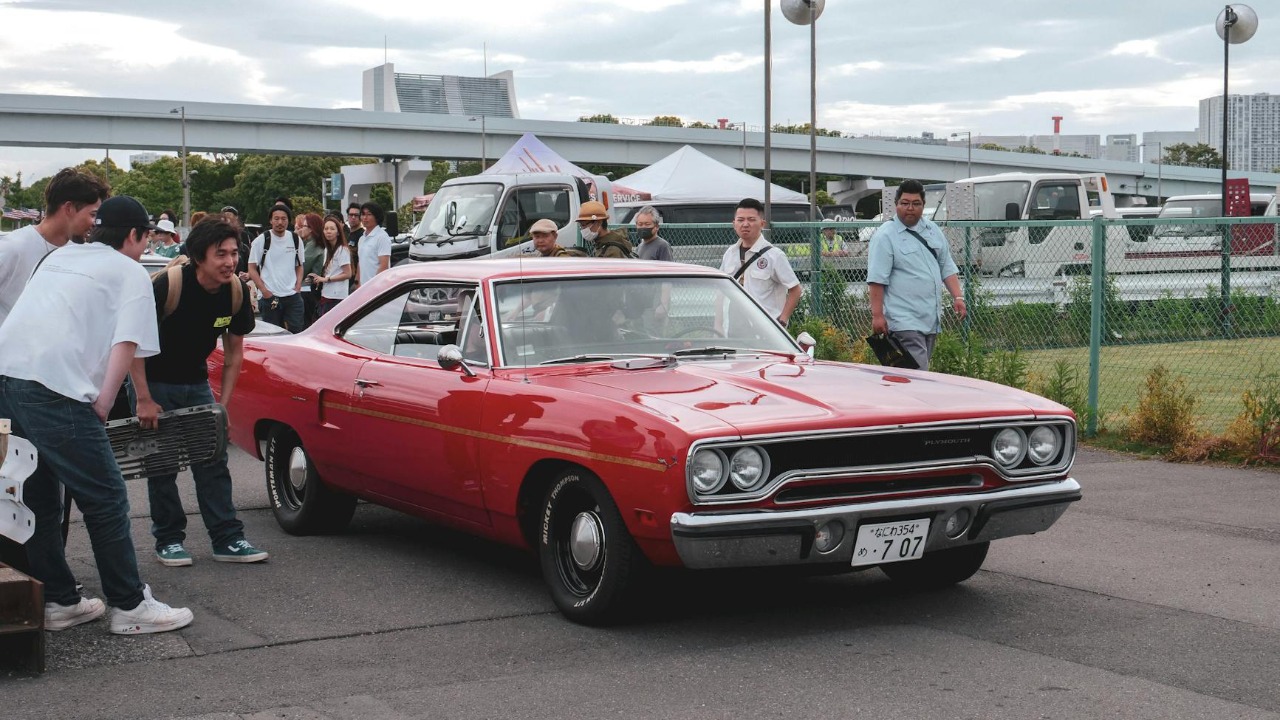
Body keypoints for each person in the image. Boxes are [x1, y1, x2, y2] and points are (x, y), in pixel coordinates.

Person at [0, 195, 194, 635]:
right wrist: (103, 404)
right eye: (145, 238)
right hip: (54, 389)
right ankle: (129, 605)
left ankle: (57, 600)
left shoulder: (62, 256)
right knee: (105, 497)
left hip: (7, 378)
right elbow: (127, 343)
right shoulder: (129, 272)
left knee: (40, 498)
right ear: (135, 235)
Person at [131, 218, 268, 567]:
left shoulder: (235, 292)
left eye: (234, 253)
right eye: (220, 254)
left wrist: (222, 406)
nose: (229, 261)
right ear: (198, 256)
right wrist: (144, 398)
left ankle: (227, 539)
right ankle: (169, 540)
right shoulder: (168, 286)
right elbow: (133, 345)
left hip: (196, 385)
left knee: (212, 462)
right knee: (161, 467)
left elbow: (234, 353)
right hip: (156, 384)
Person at [867, 179, 967, 370]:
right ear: (896, 205)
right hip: (904, 321)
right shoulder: (885, 236)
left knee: (911, 379)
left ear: (923, 205)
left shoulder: (932, 230)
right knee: (918, 377)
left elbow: (946, 266)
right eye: (904, 203)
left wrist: (958, 296)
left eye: (915, 204)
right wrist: (877, 315)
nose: (910, 208)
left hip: (930, 320)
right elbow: (877, 279)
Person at [0, 167, 109, 327]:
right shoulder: (13, 248)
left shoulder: (82, 253)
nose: (95, 223)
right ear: (69, 208)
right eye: (93, 214)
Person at [717, 197, 802, 327]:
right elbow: (721, 290)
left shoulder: (774, 255)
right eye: (740, 220)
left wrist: (782, 321)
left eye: (751, 220)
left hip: (766, 329)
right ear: (734, 224)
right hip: (733, 328)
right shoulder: (730, 254)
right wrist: (718, 324)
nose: (745, 224)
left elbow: (795, 290)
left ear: (762, 224)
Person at [247, 203, 305, 332]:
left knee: (296, 331)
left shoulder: (296, 239)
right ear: (270, 220)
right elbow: (252, 268)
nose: (280, 222)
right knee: (273, 334)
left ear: (288, 221)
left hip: (292, 295)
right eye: (276, 218)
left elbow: (300, 265)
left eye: (284, 219)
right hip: (270, 296)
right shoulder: (262, 240)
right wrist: (264, 290)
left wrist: (298, 286)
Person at [310, 214, 353, 317]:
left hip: (337, 297)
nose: (328, 231)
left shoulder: (342, 250)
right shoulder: (327, 250)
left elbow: (348, 274)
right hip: (326, 294)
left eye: (332, 229)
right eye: (326, 229)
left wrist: (326, 279)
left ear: (338, 232)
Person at [296, 212, 325, 327]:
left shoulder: (313, 245)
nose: (301, 229)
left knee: (305, 324)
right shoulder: (308, 243)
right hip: (307, 290)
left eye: (303, 226)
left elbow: (302, 265)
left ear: (311, 229)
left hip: (308, 290)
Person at [356, 201, 391, 287]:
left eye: (369, 214)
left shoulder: (382, 237)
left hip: (376, 288)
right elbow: (360, 262)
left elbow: (384, 266)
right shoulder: (362, 238)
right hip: (363, 288)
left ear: (377, 217)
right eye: (363, 214)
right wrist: (357, 282)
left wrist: (373, 287)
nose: (365, 218)